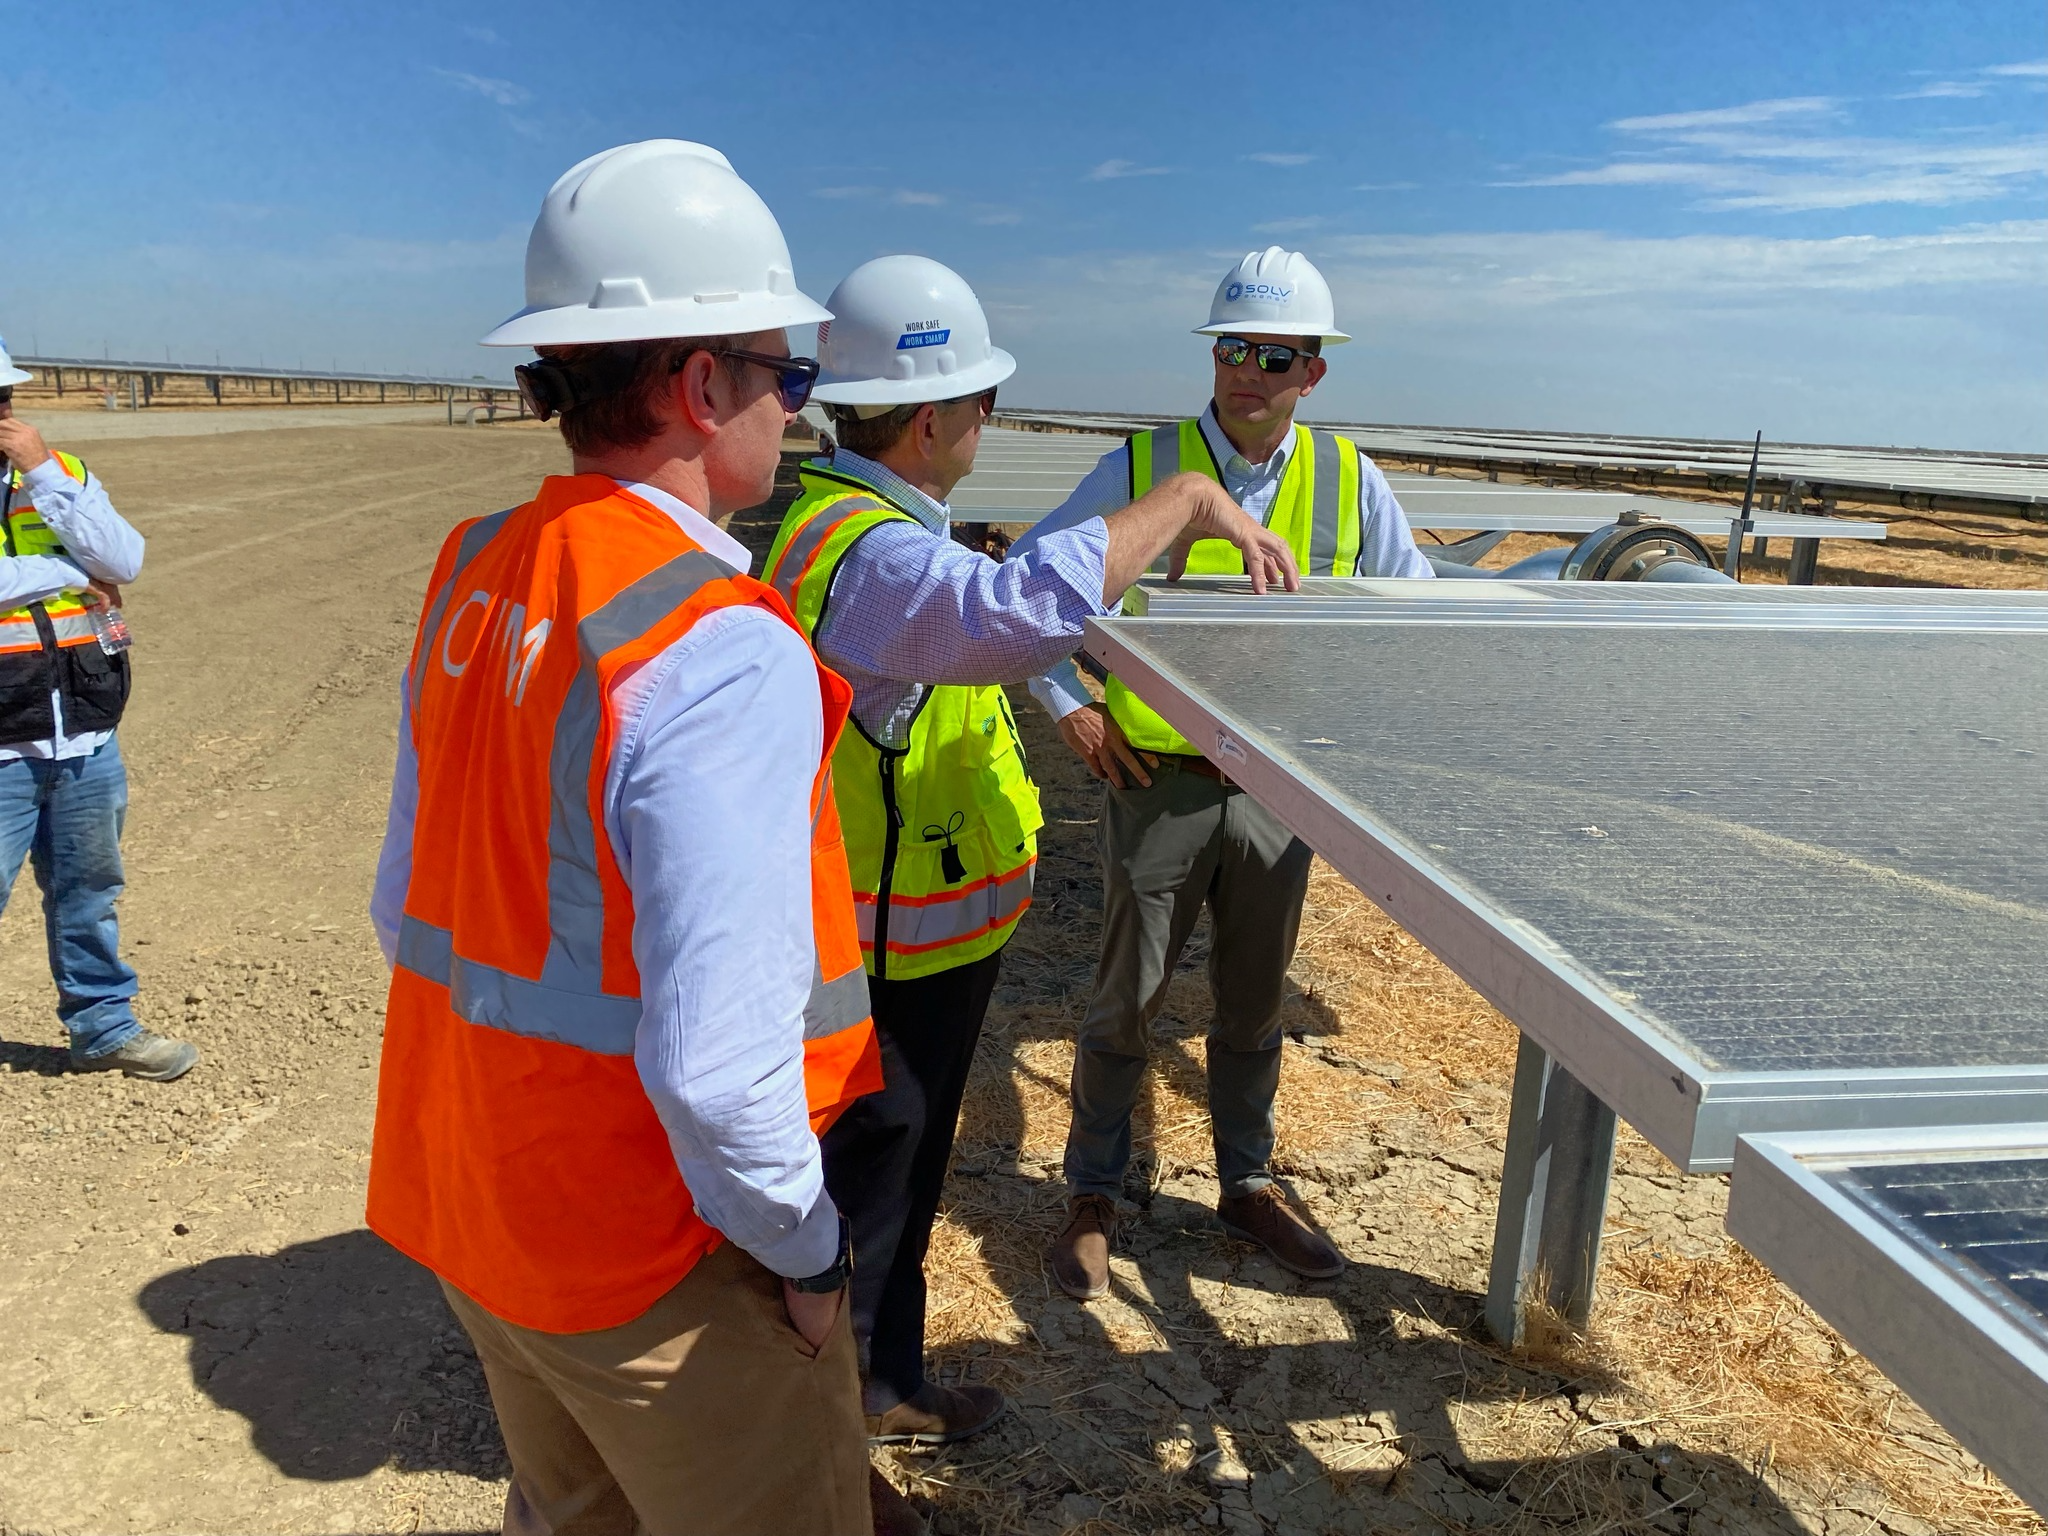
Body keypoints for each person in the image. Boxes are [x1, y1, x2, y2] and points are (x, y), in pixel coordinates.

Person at [366, 141, 889, 1536]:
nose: (796, 409)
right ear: (702, 385)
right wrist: (812, 1251)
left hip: (478, 1207)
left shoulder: (477, 569)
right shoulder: (715, 645)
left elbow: (404, 902)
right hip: (653, 1260)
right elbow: (721, 1077)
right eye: (790, 375)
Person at [763, 255, 1297, 1448]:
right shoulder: (871, 552)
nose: (989, 422)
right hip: (883, 944)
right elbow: (1010, 615)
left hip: (914, 926)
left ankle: (881, 1385)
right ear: (931, 418)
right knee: (873, 1191)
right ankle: (838, 1441)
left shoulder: (867, 525)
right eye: (982, 401)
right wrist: (1190, 504)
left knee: (895, 1181)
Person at [1016, 247, 1434, 1300]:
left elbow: (1416, 621)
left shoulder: (1350, 482)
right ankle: (1093, 1194)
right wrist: (1066, 704)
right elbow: (1020, 586)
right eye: (1231, 348)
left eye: (1273, 354)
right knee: (1127, 996)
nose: (1246, 371)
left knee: (1252, 1002)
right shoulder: (1141, 466)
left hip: (1279, 790)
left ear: (1312, 371)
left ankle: (1245, 1185)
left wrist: (1359, 745)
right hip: (1157, 780)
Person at [0, 336, 194, 1081]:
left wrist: (44, 473)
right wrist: (60, 568)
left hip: (83, 736)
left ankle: (103, 1027)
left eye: (5, 398)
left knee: (89, 892)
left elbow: (123, 562)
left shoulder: (60, 476)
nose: (2, 413)